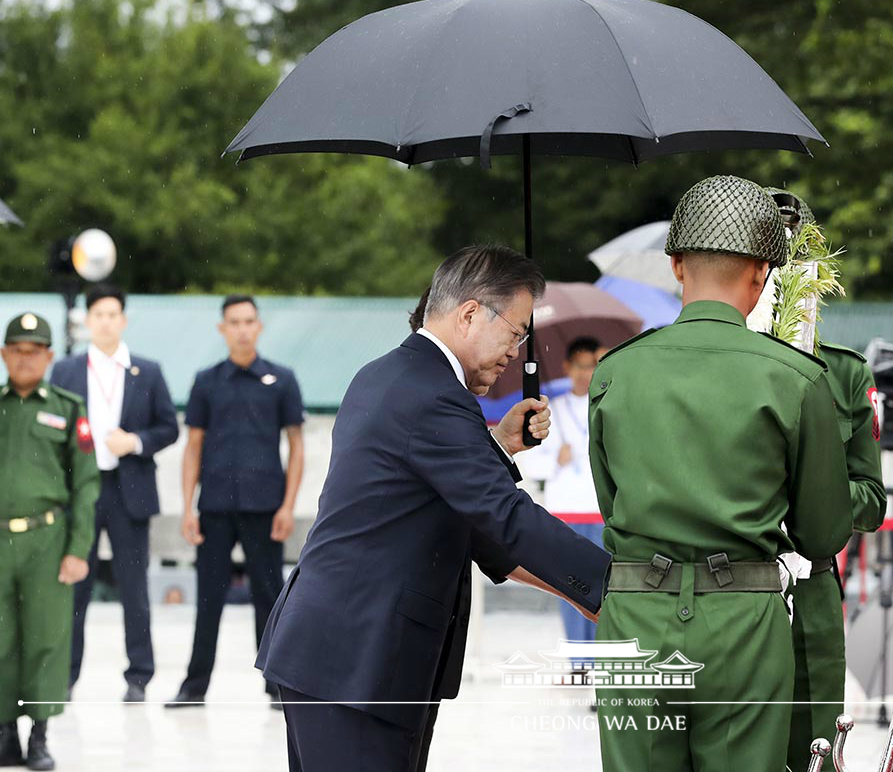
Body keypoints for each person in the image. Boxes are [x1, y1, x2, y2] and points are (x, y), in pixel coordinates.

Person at [259, 245, 611, 772]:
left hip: (339, 652)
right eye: (515, 332)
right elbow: (504, 515)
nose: (516, 351)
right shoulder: (436, 397)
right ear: (470, 314)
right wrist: (613, 585)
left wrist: (499, 448)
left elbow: (457, 519)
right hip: (358, 659)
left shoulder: (389, 374)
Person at [590, 176, 853, 772]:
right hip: (742, 620)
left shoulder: (615, 373)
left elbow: (612, 505)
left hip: (637, 615)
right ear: (762, 276)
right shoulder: (797, 376)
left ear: (676, 266)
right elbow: (822, 534)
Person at [747, 186, 885, 758]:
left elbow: (871, 501)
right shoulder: (712, 362)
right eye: (771, 265)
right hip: (734, 581)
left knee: (815, 749)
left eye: (797, 264)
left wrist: (813, 494)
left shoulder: (845, 374)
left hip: (811, 585)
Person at [167, 295, 305, 708]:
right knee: (208, 598)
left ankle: (277, 685)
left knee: (270, 597)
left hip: (266, 507)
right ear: (222, 329)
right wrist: (187, 506)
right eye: (234, 322)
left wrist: (288, 506)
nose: (242, 329)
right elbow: (193, 446)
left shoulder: (281, 380)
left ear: (259, 327)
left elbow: (296, 445)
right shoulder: (206, 381)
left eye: (249, 321)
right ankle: (194, 686)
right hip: (214, 508)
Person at [50, 284, 179, 703]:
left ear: (123, 320)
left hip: (129, 490)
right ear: (88, 322)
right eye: (98, 315)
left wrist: (136, 442)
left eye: (113, 314)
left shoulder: (148, 369)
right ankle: (65, 675)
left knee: (134, 587)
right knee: (74, 586)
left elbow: (168, 427)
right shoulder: (67, 370)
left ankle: (139, 675)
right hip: (81, 491)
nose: (105, 321)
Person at [0, 312, 99, 770]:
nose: (24, 359)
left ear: (49, 357)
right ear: (4, 355)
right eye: (16, 350)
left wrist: (78, 549)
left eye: (33, 350)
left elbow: (86, 483)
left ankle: (39, 736)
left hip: (47, 539)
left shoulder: (68, 408)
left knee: (45, 638)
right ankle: (4, 734)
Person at [518, 336, 608, 647]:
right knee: (570, 587)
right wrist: (556, 461)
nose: (586, 373)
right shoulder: (550, 409)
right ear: (568, 367)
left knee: (604, 586)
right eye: (580, 366)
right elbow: (532, 464)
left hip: (600, 511)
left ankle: (601, 658)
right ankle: (578, 660)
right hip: (565, 511)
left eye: (592, 366)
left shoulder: (606, 408)